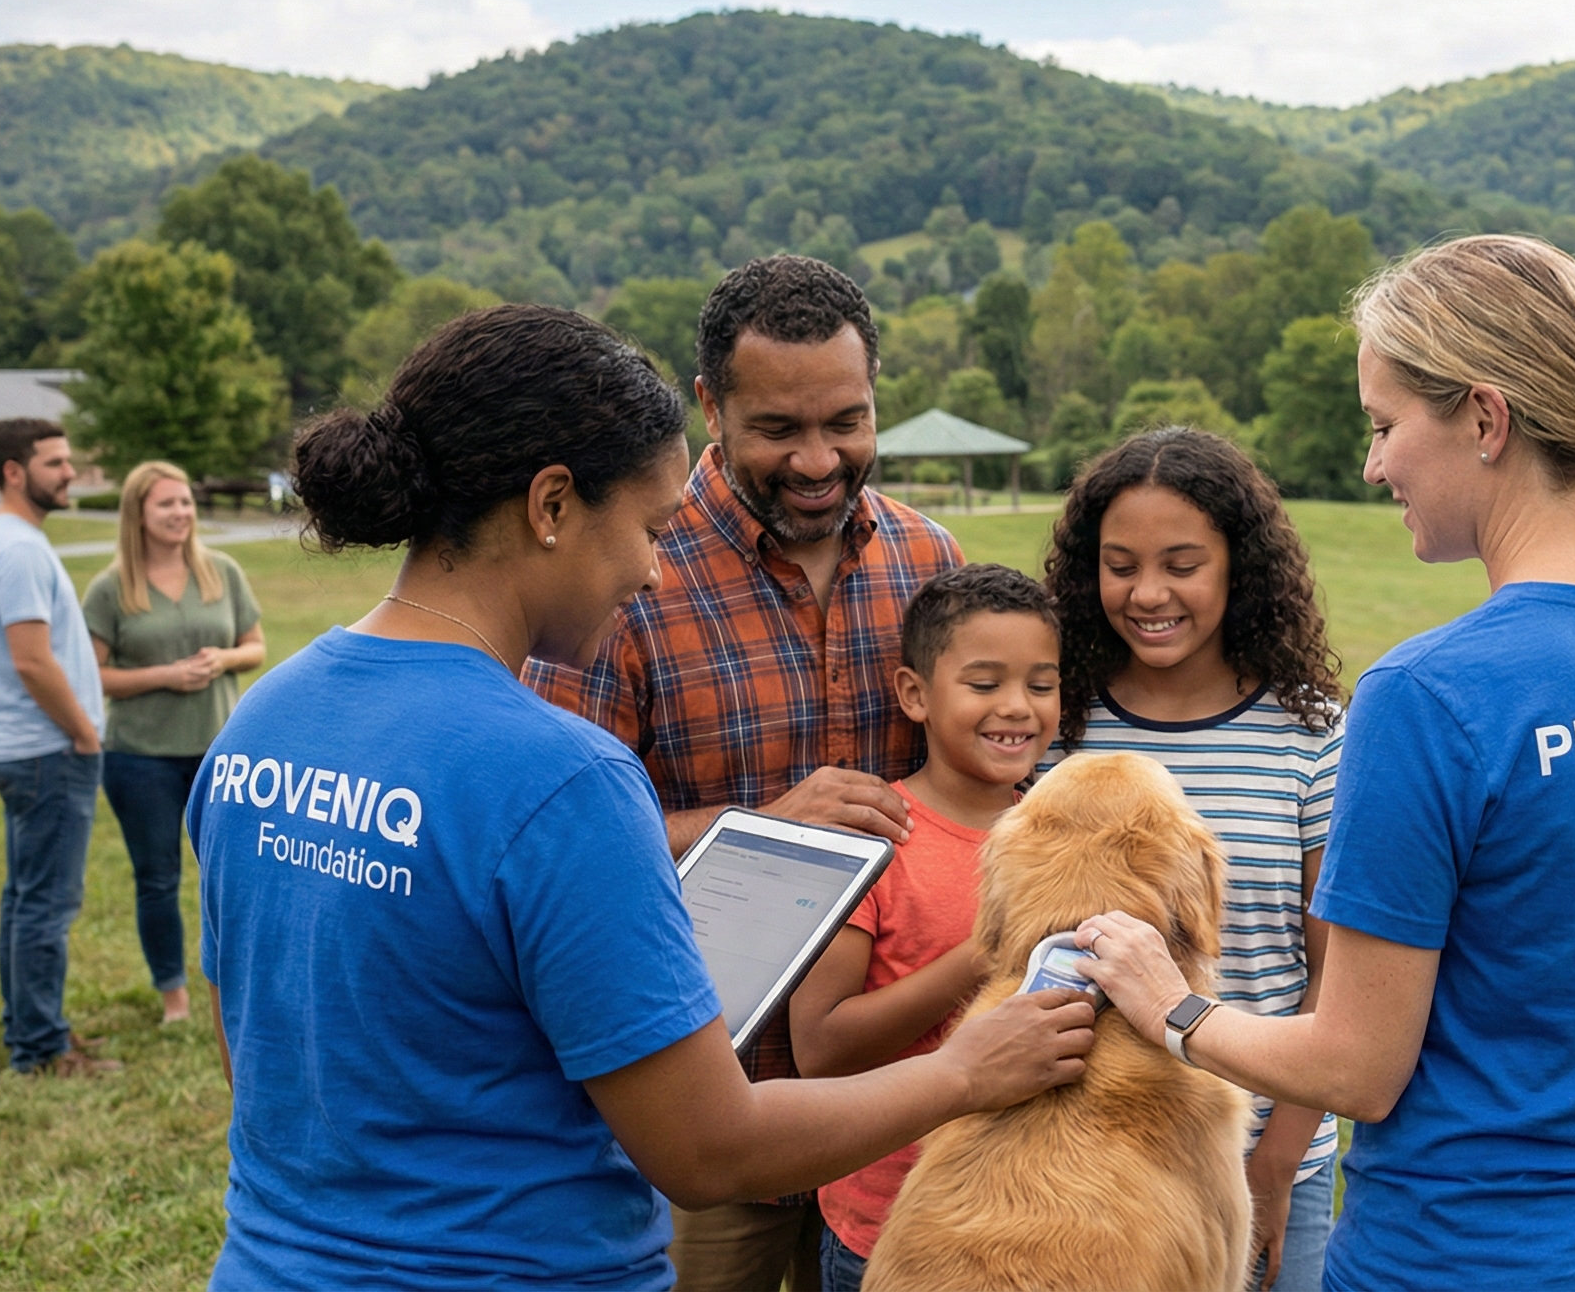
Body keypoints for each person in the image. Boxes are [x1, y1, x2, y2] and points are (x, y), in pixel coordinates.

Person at [190, 304, 1094, 1289]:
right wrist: (966, 1071)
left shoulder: (263, 720)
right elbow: (708, 1151)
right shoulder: (561, 779)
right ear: (551, 506)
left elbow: (258, 1063)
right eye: (651, 529)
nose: (655, 569)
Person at [1072, 235, 1575, 1292]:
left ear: (1482, 417)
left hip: (1463, 1262)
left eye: (1383, 426)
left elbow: (1355, 1070)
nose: (1373, 465)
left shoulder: (1430, 696)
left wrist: (1173, 1007)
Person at [528, 255, 959, 1291]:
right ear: (710, 406)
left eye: (845, 422)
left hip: (890, 1103)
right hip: (698, 1097)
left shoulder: (928, 564)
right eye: (779, 430)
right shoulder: (628, 573)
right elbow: (550, 842)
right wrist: (755, 825)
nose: (818, 460)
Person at [1038, 427, 1346, 1291]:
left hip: (1267, 1153)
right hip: (1089, 1157)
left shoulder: (1313, 733)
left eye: (1182, 564)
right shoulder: (1054, 726)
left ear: (1236, 567)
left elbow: (1336, 974)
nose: (1147, 593)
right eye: (1120, 564)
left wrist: (1276, 1165)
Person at [790, 564, 1061, 1292]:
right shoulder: (879, 842)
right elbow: (820, 1048)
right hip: (890, 1232)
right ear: (915, 694)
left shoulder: (1062, 834)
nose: (1018, 708)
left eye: (1041, 684)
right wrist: (984, 953)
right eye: (983, 684)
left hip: (1036, 1223)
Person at [84, 459, 265, 1024]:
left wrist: (224, 659)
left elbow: (255, 647)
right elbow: (92, 676)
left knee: (233, 877)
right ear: (138, 513)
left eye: (186, 501)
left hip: (219, 755)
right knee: (159, 879)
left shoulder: (222, 572)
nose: (181, 512)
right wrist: (164, 676)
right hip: (140, 759)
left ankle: (238, 988)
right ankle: (175, 999)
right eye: (166, 503)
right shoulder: (111, 588)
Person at [0, 416, 117, 1078]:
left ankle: (27, 1028)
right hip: (47, 751)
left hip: (28, 749)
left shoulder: (8, 538)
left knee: (26, 898)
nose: (71, 473)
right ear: (14, 472)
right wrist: (83, 733)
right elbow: (31, 660)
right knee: (47, 905)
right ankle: (42, 1048)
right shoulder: (21, 548)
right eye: (56, 463)